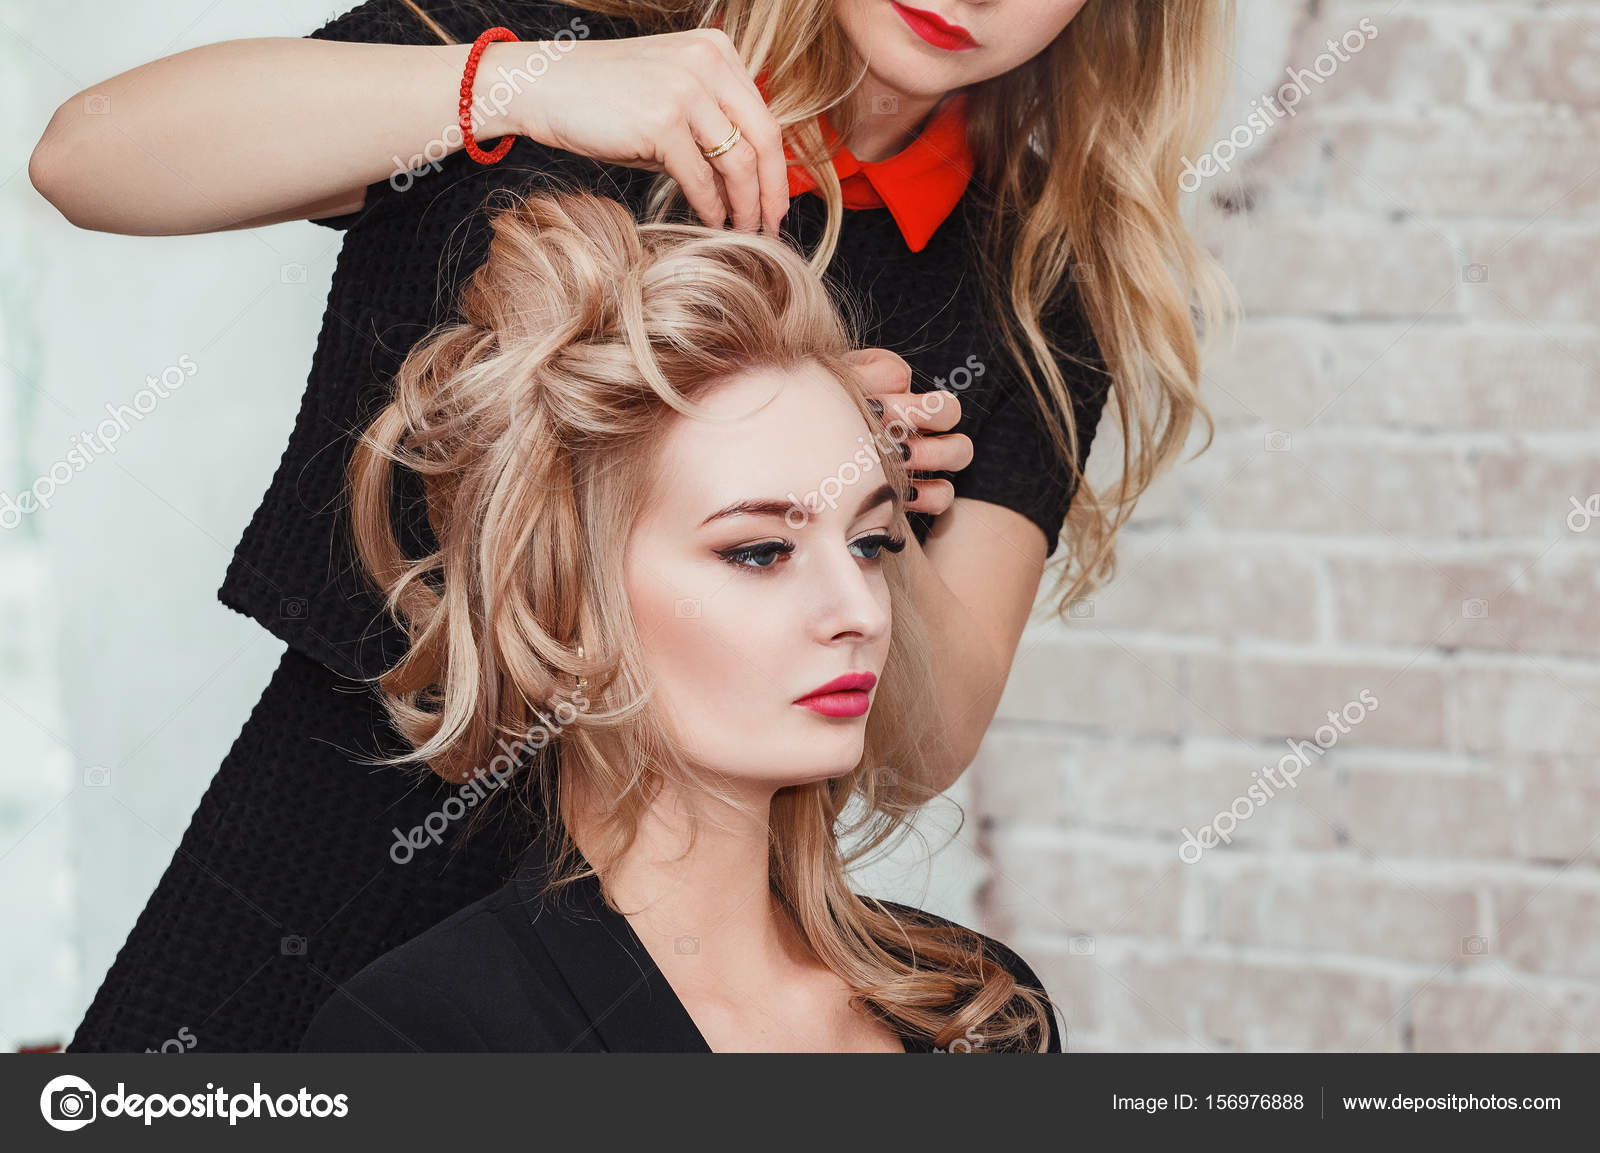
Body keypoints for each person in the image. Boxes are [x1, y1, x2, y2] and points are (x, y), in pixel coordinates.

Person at [30, 0, 1235, 1050]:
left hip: (672, 952)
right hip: (309, 869)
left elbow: (924, 743)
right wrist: (520, 82)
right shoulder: (581, 44)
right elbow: (88, 161)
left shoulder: (1027, 280)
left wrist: (852, 490)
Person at [301, 188, 1059, 1052]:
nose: (859, 614)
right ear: (566, 595)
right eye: (760, 552)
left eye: (872, 543)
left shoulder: (980, 1007)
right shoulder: (425, 1039)